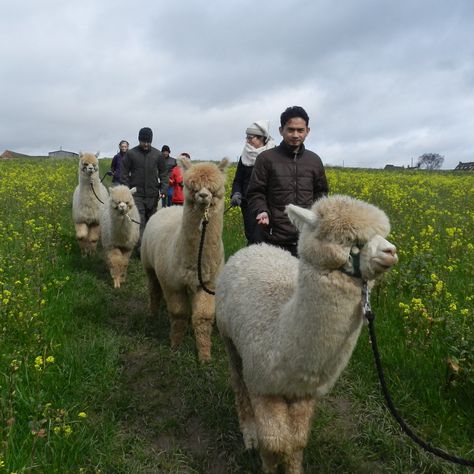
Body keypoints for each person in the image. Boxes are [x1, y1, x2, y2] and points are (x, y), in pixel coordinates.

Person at [246, 106, 329, 257]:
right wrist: (261, 211)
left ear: (307, 131)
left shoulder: (314, 160)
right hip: (272, 237)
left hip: (305, 240)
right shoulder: (266, 159)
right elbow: (255, 192)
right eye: (290, 130)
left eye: (300, 130)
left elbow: (321, 193)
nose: (295, 135)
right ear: (281, 130)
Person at [120, 127, 168, 253]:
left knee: (151, 222)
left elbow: (164, 174)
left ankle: (150, 247)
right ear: (139, 140)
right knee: (139, 221)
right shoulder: (131, 154)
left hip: (153, 195)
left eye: (148, 141)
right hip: (137, 195)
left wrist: (162, 190)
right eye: (143, 141)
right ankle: (141, 249)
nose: (146, 144)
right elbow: (124, 172)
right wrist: (128, 189)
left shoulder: (157, 155)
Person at [230, 120, 275, 245]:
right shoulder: (244, 156)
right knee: (251, 236)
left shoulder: (273, 155)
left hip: (268, 206)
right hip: (248, 205)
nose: (247, 141)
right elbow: (238, 180)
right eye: (247, 137)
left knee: (260, 239)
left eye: (251, 138)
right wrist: (236, 193)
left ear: (262, 138)